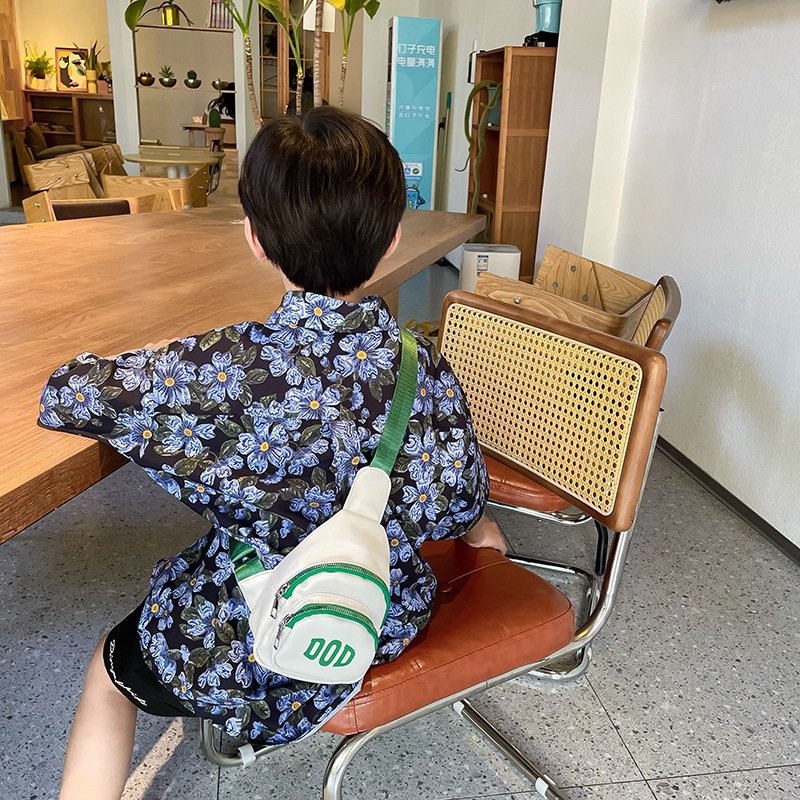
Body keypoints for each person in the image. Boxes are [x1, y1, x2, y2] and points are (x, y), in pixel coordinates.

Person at [40, 106, 506, 800]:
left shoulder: (225, 368)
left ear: (255, 239)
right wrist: (481, 530)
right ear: (391, 241)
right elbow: (460, 504)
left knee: (110, 676)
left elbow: (65, 396)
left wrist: (160, 359)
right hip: (367, 622)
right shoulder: (426, 370)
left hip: (234, 640)